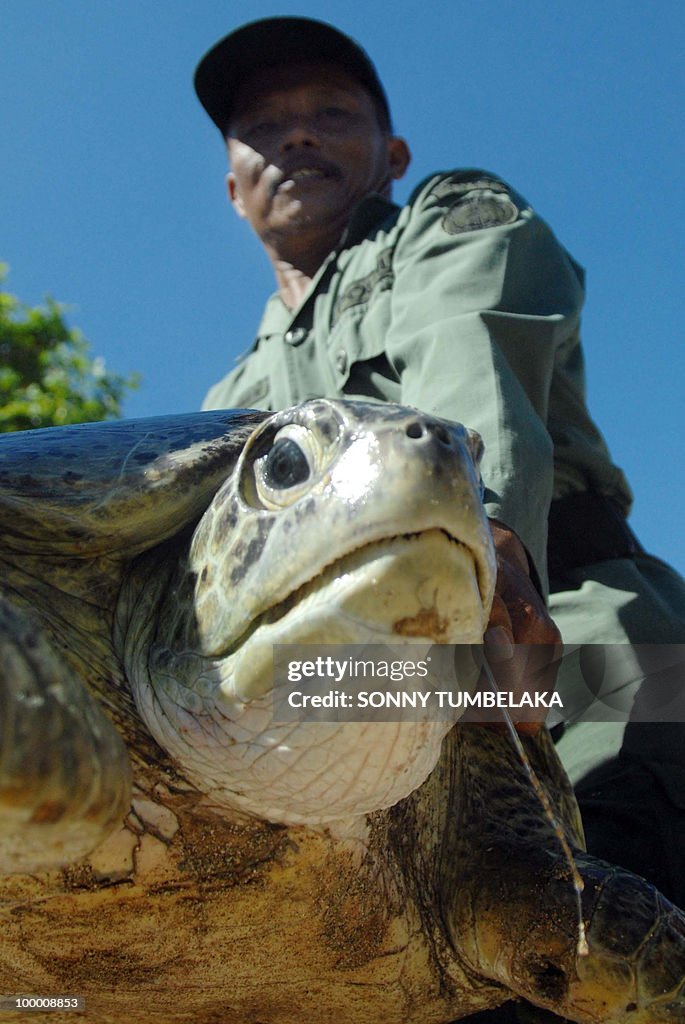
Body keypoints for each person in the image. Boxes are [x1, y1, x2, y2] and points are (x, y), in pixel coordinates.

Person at [193, 16, 685, 916]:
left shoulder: (446, 219)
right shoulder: (229, 396)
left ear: (391, 153)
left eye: (331, 112)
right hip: (363, 697)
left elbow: (468, 350)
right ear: (233, 188)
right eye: (263, 126)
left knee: (609, 909)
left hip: (580, 628)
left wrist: (485, 545)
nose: (296, 134)